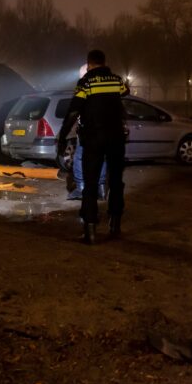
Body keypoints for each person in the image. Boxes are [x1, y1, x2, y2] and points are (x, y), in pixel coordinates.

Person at [63, 49, 129, 244]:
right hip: (116, 138)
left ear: (89, 64)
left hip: (93, 139)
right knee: (116, 181)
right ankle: (115, 225)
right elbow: (127, 91)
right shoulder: (116, 80)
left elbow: (74, 110)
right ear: (104, 61)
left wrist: (62, 136)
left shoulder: (86, 83)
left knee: (90, 184)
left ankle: (90, 231)